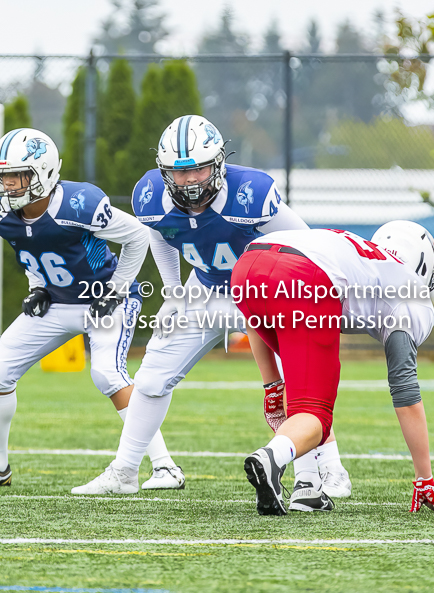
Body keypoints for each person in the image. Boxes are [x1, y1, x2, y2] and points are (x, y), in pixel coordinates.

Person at [71, 115, 352, 498]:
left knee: (297, 382)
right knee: (152, 377)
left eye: (197, 169)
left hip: (265, 292)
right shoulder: (151, 194)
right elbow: (160, 233)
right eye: (178, 171)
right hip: (204, 290)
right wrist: (173, 292)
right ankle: (125, 471)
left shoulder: (249, 192)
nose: (187, 180)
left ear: (218, 163)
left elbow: (307, 244)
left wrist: (308, 299)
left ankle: (325, 471)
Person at [0, 128, 181, 490]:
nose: (7, 187)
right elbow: (30, 249)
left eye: (17, 177)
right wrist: (37, 286)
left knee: (108, 375)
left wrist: (116, 290)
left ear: (46, 173)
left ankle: (165, 468)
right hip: (57, 300)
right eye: (2, 178)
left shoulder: (78, 204)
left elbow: (137, 236)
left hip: (104, 297)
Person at [232, 223, 434, 516]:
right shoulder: (409, 291)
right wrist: (424, 478)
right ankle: (271, 457)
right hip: (304, 275)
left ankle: (308, 487)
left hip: (249, 265)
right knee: (316, 414)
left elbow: (260, 315)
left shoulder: (356, 256)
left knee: (301, 388)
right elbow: (404, 389)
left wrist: (272, 384)